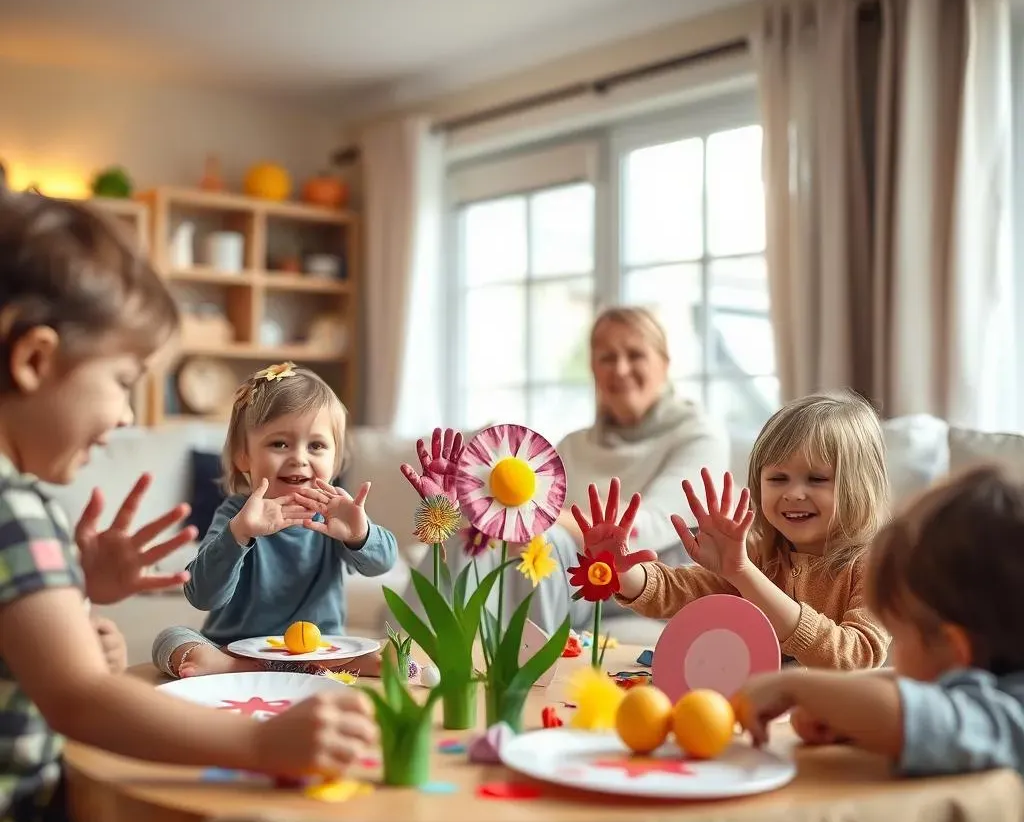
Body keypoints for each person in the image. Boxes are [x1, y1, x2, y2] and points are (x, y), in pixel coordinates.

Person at [0, 192, 378, 822]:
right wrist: (263, 749)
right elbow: (80, 697)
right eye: (122, 379)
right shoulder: (15, 506)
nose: (126, 419)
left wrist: (79, 601)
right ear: (35, 359)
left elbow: (49, 666)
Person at [733, 464, 1024, 822]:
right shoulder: (997, 684)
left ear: (954, 648)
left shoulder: (1011, 716)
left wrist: (797, 686)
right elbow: (922, 693)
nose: (896, 655)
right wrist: (844, 706)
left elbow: (922, 714)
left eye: (901, 637)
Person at [396, 306, 730, 637]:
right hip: (565, 572)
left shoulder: (700, 436)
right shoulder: (573, 444)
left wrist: (534, 518)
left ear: (665, 363)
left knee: (540, 539)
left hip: (633, 582)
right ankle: (404, 654)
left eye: (635, 354)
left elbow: (642, 530)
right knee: (472, 529)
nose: (621, 368)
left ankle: (525, 674)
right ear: (593, 368)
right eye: (607, 358)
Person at [578, 390, 891, 668]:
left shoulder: (878, 566)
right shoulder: (758, 551)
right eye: (778, 479)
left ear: (860, 486)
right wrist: (622, 573)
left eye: (817, 479)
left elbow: (856, 657)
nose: (794, 493)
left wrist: (744, 574)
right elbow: (684, 591)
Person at [152, 363, 398, 679]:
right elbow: (202, 596)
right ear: (244, 456)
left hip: (320, 648)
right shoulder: (234, 515)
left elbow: (382, 564)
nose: (299, 457)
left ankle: (306, 665)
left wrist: (360, 534)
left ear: (334, 461)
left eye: (316, 446)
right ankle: (241, 666)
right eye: (280, 443)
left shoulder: (335, 514)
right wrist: (238, 535)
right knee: (170, 639)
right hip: (233, 646)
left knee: (382, 645)